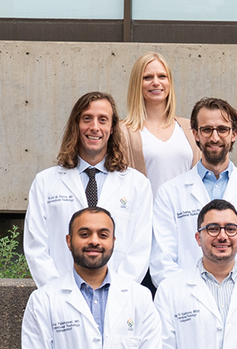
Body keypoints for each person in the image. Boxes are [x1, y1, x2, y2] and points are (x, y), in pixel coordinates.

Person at [24, 91, 153, 287]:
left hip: (118, 298)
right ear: (76, 125)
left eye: (103, 120)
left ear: (112, 128)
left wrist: (117, 293)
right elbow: (36, 247)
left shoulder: (137, 184)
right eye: (87, 119)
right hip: (60, 296)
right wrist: (58, 292)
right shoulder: (45, 182)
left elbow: (140, 249)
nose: (95, 127)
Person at [151, 97, 237, 286]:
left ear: (234, 134)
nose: (215, 137)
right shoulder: (169, 193)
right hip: (188, 301)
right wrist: (188, 296)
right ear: (195, 134)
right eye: (207, 129)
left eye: (222, 129)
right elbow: (162, 262)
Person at [22, 207, 161, 348]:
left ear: (113, 241)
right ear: (69, 241)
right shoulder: (42, 300)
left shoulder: (140, 298)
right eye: (84, 234)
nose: (94, 241)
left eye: (103, 235)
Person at [154, 199, 237, 348]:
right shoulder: (169, 290)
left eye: (230, 229)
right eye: (213, 229)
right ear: (198, 238)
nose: (222, 236)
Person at [120, 52, 201, 196]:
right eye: (147, 77)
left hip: (186, 216)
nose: (156, 82)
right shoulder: (123, 131)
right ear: (137, 83)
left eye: (162, 76)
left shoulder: (190, 129)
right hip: (147, 216)